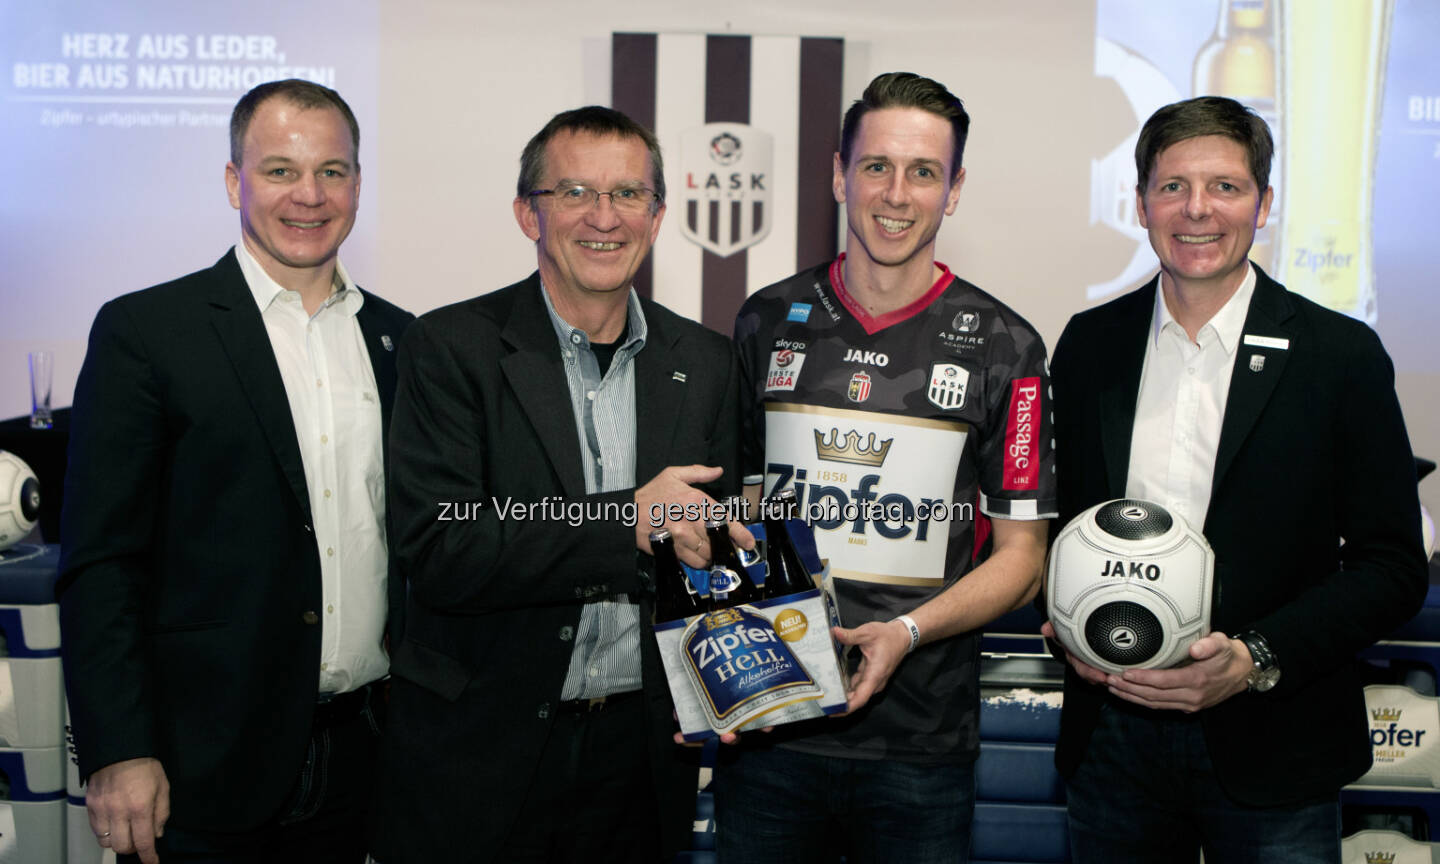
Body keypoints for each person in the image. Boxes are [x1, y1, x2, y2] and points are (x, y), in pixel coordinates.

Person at [1044, 95, 1428, 862]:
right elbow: (1068, 530)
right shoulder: (1089, 346)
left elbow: (1392, 567)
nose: (1197, 210)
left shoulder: (1339, 356)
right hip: (1113, 738)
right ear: (1142, 200)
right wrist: (1065, 620)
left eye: (1225, 186)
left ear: (1265, 203)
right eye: (1172, 186)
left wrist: (1253, 658)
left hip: (1277, 742)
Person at [369, 106, 749, 863]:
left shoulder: (705, 361)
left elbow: (721, 548)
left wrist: (737, 686)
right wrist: (628, 522)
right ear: (527, 214)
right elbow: (442, 547)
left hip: (642, 761)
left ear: (658, 213)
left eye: (628, 194)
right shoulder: (451, 348)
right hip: (480, 754)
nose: (603, 217)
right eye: (574, 192)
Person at [58, 79, 413, 864]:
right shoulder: (147, 332)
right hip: (197, 770)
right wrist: (118, 748)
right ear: (233, 182)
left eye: (333, 171)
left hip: (368, 758)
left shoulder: (401, 341)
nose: (310, 195)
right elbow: (101, 562)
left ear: (358, 182)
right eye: (280, 170)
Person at [723, 71, 1056, 863]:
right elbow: (731, 506)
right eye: (876, 166)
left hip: (921, 747)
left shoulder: (1009, 345)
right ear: (839, 175)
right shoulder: (765, 320)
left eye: (923, 172)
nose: (896, 194)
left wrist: (905, 633)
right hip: (773, 726)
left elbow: (1023, 558)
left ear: (955, 189)